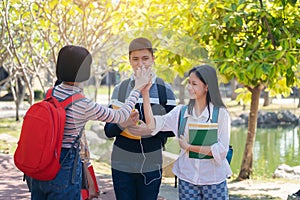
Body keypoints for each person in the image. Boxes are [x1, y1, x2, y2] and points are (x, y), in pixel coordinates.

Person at [30, 45, 151, 200]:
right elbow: (120, 115)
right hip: (64, 169)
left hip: (41, 165)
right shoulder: (82, 104)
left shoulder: (50, 93)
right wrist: (137, 89)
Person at [140, 65, 232, 199]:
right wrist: (145, 94)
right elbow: (152, 124)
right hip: (187, 180)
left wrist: (189, 147)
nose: (189, 87)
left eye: (194, 84)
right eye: (189, 82)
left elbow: (222, 150)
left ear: (207, 86)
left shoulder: (221, 114)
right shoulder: (181, 112)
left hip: (214, 180)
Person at [104, 37, 176, 200]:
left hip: (152, 160)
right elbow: (108, 131)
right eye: (135, 59)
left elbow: (174, 129)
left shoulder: (165, 90)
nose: (140, 63)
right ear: (129, 61)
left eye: (145, 58)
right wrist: (124, 124)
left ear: (153, 59)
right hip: (121, 160)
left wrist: (151, 129)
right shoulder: (120, 90)